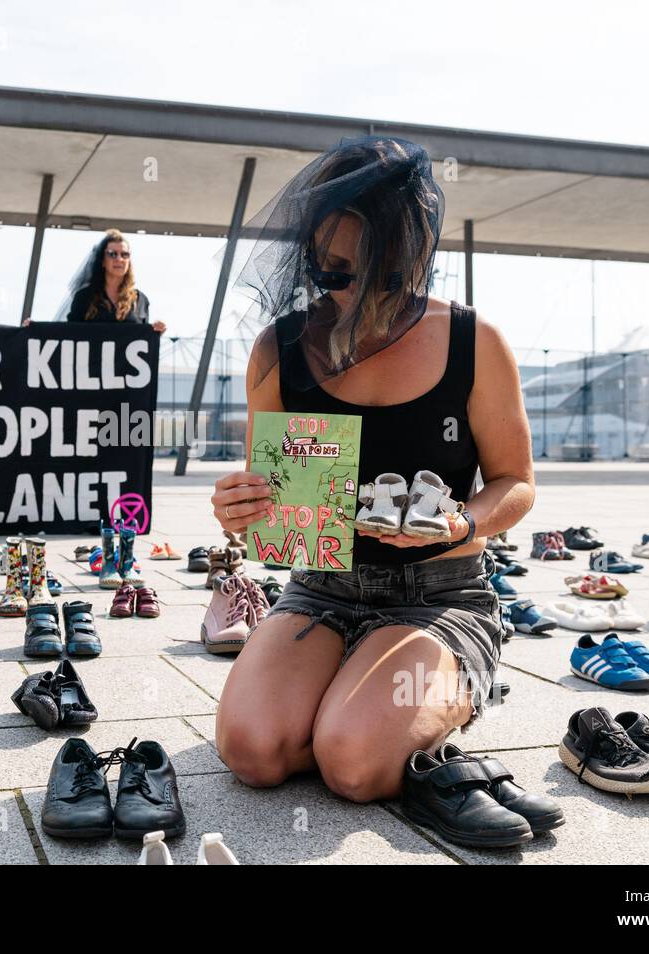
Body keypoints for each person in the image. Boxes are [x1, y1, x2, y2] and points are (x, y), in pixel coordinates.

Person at [210, 136, 535, 803]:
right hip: (320, 588)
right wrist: (239, 508)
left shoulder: (475, 341)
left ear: (415, 255)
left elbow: (517, 483)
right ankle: (355, 696)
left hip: (439, 593)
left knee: (352, 766)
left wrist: (460, 521)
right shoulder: (281, 350)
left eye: (380, 273)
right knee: (253, 752)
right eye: (333, 272)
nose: (355, 294)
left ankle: (444, 686)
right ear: (309, 256)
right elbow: (271, 501)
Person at [54, 229, 166, 333]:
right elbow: (70, 336)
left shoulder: (140, 299)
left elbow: (144, 338)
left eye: (124, 254)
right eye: (112, 254)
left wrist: (155, 331)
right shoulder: (83, 297)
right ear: (102, 261)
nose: (119, 259)